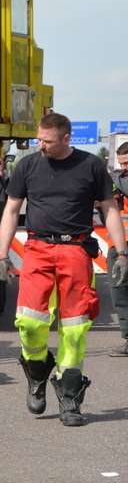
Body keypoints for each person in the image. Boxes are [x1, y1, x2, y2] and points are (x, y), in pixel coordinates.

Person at [0, 111, 128, 427]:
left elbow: (110, 210)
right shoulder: (27, 165)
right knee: (29, 323)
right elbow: (12, 210)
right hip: (38, 250)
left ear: (66, 138)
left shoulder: (91, 166)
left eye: (47, 141)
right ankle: (38, 372)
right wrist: (2, 255)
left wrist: (122, 253)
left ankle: (70, 399)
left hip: (76, 251)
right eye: (39, 140)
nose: (40, 146)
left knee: (74, 327)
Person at [107, 140, 128, 357]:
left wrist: (111, 178)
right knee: (119, 293)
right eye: (121, 164)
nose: (124, 168)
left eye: (127, 163)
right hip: (119, 245)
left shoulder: (119, 180)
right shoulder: (120, 179)